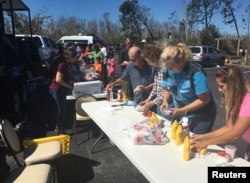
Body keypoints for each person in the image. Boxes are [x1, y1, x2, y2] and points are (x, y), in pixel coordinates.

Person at [191, 65, 250, 161]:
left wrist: (206, 142)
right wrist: (203, 136)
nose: (219, 89)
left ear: (233, 85)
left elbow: (236, 134)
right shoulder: (236, 101)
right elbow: (229, 127)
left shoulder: (248, 102)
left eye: (221, 86)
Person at [160, 43, 217, 134]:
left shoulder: (195, 72)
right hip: (182, 112)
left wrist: (181, 110)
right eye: (167, 66)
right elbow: (166, 88)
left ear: (181, 62)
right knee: (181, 136)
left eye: (171, 67)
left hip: (201, 115)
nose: (168, 69)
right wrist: (165, 100)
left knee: (196, 141)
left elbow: (204, 99)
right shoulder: (167, 69)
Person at [140, 44, 173, 118]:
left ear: (153, 58)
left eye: (148, 61)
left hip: (168, 103)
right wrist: (149, 98)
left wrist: (152, 102)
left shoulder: (165, 68)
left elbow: (167, 90)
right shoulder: (156, 68)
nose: (148, 63)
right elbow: (156, 85)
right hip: (159, 103)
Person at [49, 48, 76, 135]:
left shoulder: (67, 64)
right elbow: (58, 79)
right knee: (61, 110)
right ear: (71, 57)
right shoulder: (62, 65)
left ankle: (58, 127)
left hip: (60, 89)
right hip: (57, 89)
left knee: (61, 109)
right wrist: (69, 86)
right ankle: (61, 131)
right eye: (75, 57)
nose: (76, 58)